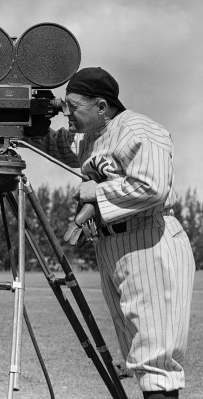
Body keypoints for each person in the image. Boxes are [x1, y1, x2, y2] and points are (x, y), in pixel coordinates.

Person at [24, 67, 195, 399]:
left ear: (101, 106)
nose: (65, 111)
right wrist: (17, 124)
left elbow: (153, 187)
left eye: (72, 105)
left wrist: (96, 194)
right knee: (136, 346)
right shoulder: (93, 135)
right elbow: (62, 146)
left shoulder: (140, 130)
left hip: (150, 240)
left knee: (154, 353)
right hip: (113, 244)